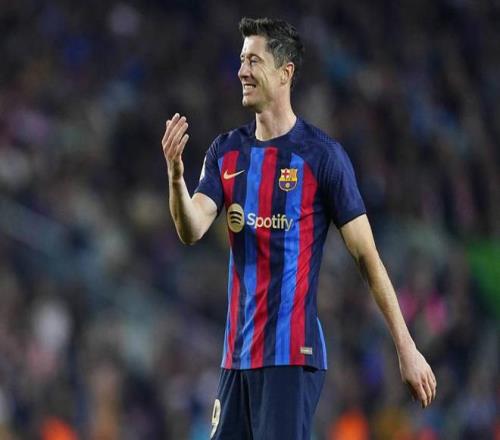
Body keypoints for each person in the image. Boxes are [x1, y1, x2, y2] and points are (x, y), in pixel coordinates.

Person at [162, 17, 437, 440]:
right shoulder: (225, 151)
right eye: (241, 60)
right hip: (236, 357)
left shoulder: (322, 157)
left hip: (291, 356)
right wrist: (176, 176)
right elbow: (192, 228)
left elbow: (367, 258)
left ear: (285, 72)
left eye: (254, 60)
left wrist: (407, 347)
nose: (242, 71)